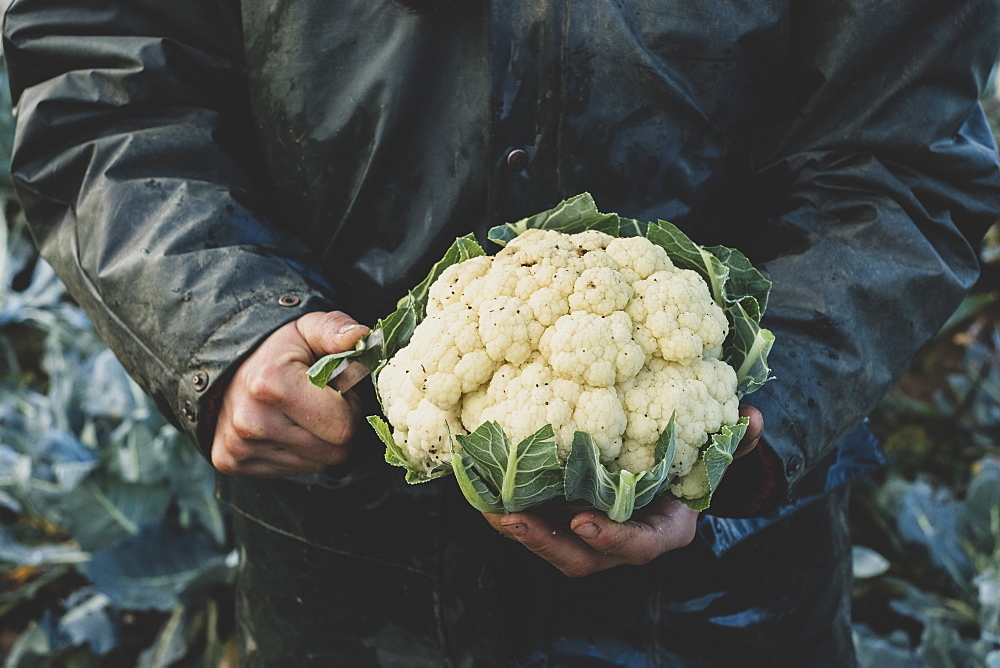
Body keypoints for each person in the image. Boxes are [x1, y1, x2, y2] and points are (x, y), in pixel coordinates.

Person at [4, 0, 999, 664]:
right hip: (348, 576)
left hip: (726, 592)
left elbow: (900, 156)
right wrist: (220, 322)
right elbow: (103, 72)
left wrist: (743, 425)